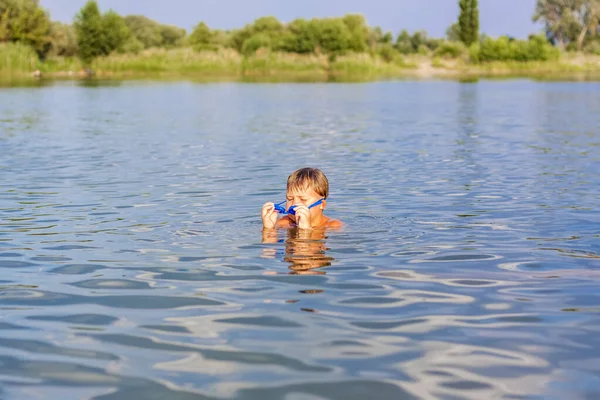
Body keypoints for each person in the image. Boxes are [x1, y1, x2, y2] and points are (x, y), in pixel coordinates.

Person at [261, 167, 343, 230]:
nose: (294, 204)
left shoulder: (333, 226)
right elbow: (269, 250)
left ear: (322, 204)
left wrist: (305, 230)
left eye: (303, 199)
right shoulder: (284, 223)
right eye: (290, 199)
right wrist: (268, 228)